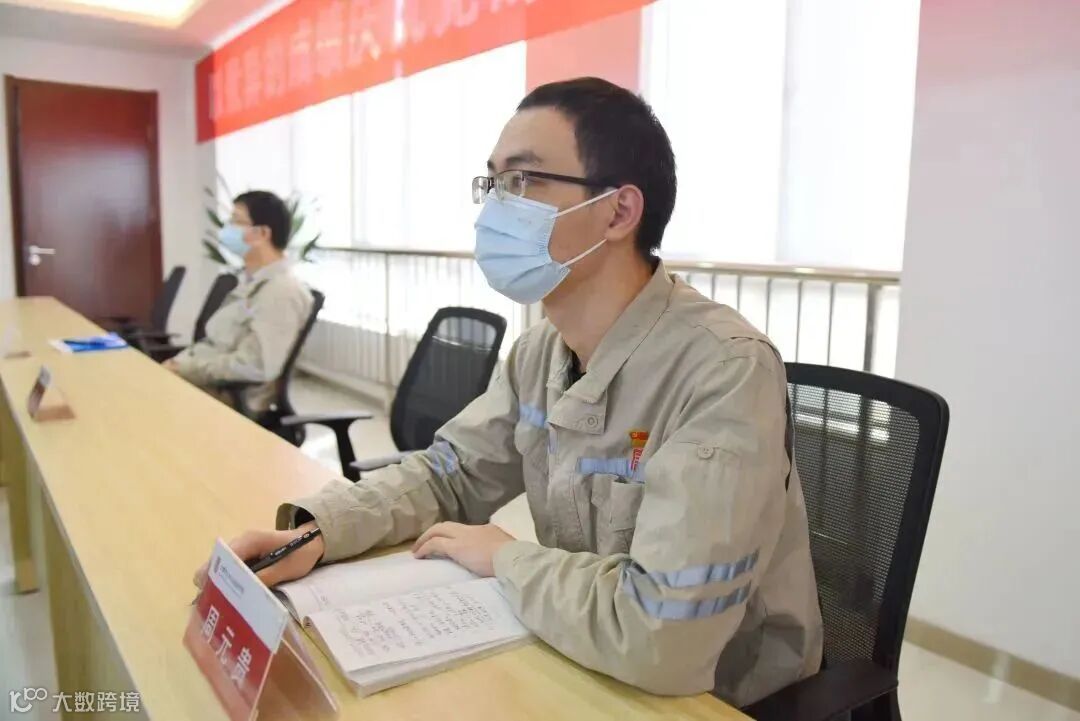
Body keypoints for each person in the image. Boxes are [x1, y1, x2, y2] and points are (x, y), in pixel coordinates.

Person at [196, 78, 822, 706]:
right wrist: (321, 533)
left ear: (618, 212)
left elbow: (665, 635)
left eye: (523, 180)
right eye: (493, 182)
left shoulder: (723, 370)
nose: (495, 208)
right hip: (584, 655)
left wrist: (505, 558)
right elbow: (450, 476)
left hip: (721, 696)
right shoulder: (540, 350)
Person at [166, 190, 313, 413]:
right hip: (201, 384)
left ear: (262, 233)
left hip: (224, 400)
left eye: (236, 221)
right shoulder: (252, 283)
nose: (227, 229)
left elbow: (254, 365)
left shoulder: (281, 292)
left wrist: (185, 368)